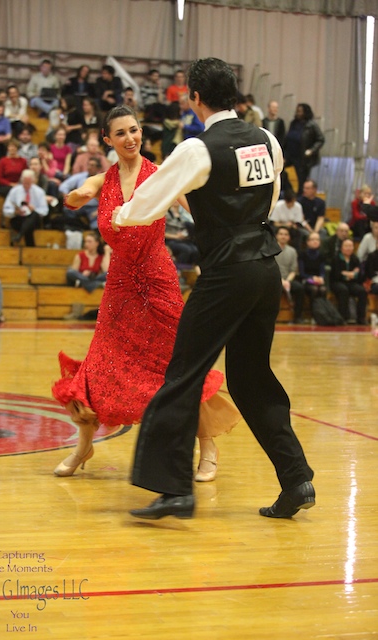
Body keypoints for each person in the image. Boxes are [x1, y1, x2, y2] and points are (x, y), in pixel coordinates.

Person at [112, 57, 315, 520]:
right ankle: (296, 478)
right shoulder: (267, 140)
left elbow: (145, 204)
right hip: (266, 270)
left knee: (183, 372)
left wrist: (119, 215)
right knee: (251, 378)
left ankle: (173, 489)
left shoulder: (198, 149)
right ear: (236, 96)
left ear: (195, 97)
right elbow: (270, 197)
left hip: (227, 272)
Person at [52, 105, 240, 479]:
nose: (130, 138)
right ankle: (83, 447)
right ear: (107, 140)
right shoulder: (102, 181)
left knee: (182, 364)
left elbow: (196, 210)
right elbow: (82, 191)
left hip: (158, 282)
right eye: (120, 133)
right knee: (100, 366)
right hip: (120, 286)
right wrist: (75, 196)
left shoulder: (161, 176)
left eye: (134, 130)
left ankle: (208, 448)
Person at [284, 103, 325, 195]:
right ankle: (288, 190)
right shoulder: (293, 123)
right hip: (290, 155)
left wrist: (311, 150)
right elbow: (287, 139)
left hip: (302, 158)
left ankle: (299, 198)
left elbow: (320, 139)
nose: (298, 113)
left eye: (300, 111)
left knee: (301, 181)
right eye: (297, 111)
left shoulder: (312, 125)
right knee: (280, 170)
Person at [2, 169, 49, 246]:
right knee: (27, 225)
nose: (26, 185)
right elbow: (6, 209)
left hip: (34, 220)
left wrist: (34, 209)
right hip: (19, 219)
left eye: (29, 183)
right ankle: (27, 242)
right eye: (25, 183)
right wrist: (15, 212)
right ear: (21, 181)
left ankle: (20, 235)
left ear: (33, 181)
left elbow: (45, 211)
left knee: (33, 216)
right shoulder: (14, 191)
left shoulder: (39, 192)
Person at [330, 238, 367, 325]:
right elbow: (336, 275)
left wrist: (348, 274)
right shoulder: (336, 259)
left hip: (351, 283)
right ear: (341, 248)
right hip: (337, 283)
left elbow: (359, 275)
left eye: (350, 246)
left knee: (362, 291)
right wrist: (351, 274)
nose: (348, 248)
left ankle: (361, 318)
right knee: (343, 290)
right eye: (346, 246)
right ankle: (343, 317)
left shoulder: (355, 259)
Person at [59, 158, 103, 229]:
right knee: (67, 209)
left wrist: (99, 210)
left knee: (98, 222)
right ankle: (78, 228)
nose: (89, 167)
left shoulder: (102, 179)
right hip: (80, 204)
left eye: (92, 165)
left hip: (94, 207)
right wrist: (69, 197)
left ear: (98, 168)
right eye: (88, 165)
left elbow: (108, 198)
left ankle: (94, 234)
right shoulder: (80, 176)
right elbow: (63, 186)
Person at [274, 226, 304, 324]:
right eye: (281, 234)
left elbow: (293, 270)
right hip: (274, 279)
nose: (283, 236)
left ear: (289, 237)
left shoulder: (292, 251)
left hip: (288, 279)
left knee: (300, 288)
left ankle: (298, 317)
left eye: (286, 234)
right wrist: (281, 280)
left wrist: (287, 281)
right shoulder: (271, 250)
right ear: (276, 236)